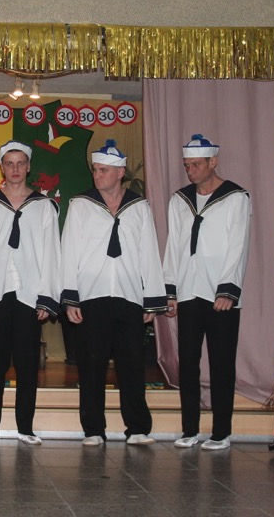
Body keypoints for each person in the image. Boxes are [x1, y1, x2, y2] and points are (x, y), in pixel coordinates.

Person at [61, 139, 167, 447]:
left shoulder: (139, 207)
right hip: (91, 296)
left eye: (103, 170)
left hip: (129, 296)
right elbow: (69, 250)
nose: (97, 175)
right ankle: (93, 429)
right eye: (95, 170)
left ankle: (138, 428)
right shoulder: (81, 205)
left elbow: (149, 252)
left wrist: (152, 299)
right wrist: (70, 297)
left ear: (120, 172)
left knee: (131, 365)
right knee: (91, 366)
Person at [0, 140, 61, 445]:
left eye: (21, 163)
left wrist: (47, 295)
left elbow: (52, 253)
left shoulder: (44, 206)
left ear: (28, 166)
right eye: (9, 163)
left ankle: (25, 428)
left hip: (29, 294)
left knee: (27, 363)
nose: (15, 169)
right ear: (2, 167)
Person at [163, 133, 251, 451]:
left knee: (221, 363)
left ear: (213, 162)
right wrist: (170, 289)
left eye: (196, 165)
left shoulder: (235, 197)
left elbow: (238, 246)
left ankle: (221, 431)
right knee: (188, 362)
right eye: (187, 165)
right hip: (188, 290)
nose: (190, 171)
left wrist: (228, 289)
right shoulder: (180, 200)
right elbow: (173, 245)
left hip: (219, 294)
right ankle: (189, 429)